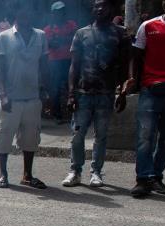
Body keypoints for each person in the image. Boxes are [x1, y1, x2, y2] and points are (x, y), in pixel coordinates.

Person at [118, 0, 165, 198]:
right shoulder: (148, 26)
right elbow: (135, 56)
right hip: (151, 89)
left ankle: (156, 176)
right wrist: (131, 79)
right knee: (145, 136)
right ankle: (143, 179)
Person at [63, 0, 128, 188]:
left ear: (111, 9)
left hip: (106, 94)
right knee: (77, 135)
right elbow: (74, 65)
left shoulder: (120, 33)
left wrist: (123, 92)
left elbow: (124, 65)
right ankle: (75, 171)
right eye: (97, 6)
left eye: (104, 6)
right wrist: (70, 93)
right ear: (93, 10)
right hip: (83, 93)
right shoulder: (81, 33)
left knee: (101, 136)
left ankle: (96, 173)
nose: (100, 9)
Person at [0, 2, 50, 189]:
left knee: (31, 139)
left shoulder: (41, 35)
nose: (26, 13)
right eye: (22, 10)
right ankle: (3, 174)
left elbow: (44, 66)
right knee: (3, 137)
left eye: (30, 10)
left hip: (32, 97)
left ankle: (27, 175)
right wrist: (3, 95)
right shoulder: (4, 37)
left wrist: (45, 90)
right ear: (15, 13)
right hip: (11, 98)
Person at [45, 2, 78, 123]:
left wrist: (61, 40)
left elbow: (75, 38)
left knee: (72, 86)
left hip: (70, 60)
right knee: (56, 88)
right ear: (53, 13)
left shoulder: (71, 24)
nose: (60, 14)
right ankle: (57, 114)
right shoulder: (48, 29)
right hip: (55, 61)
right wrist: (66, 39)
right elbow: (51, 44)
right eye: (58, 12)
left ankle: (74, 112)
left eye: (62, 11)